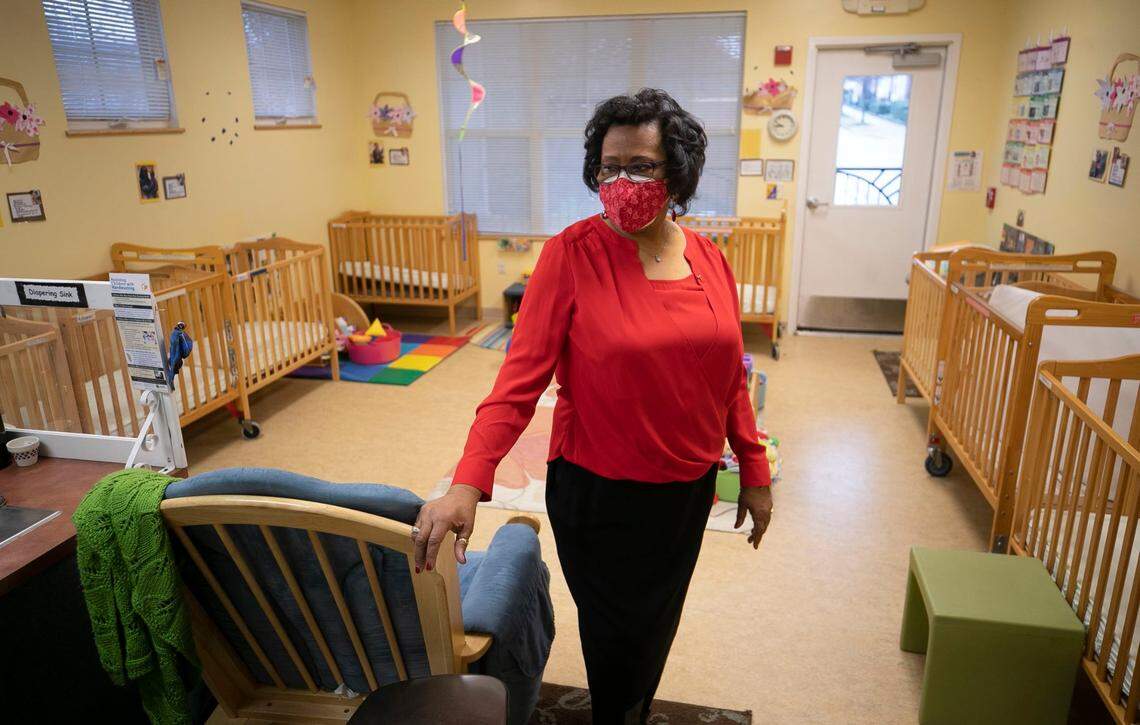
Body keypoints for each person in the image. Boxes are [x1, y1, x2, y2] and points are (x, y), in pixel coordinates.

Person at [413, 88, 773, 724]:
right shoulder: (570, 255)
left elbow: (729, 383)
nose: (622, 182)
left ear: (677, 172)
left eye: (641, 166)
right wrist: (468, 482)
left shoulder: (710, 259)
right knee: (617, 642)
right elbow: (517, 385)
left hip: (686, 492)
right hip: (600, 493)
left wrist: (754, 469)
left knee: (655, 628)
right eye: (609, 168)